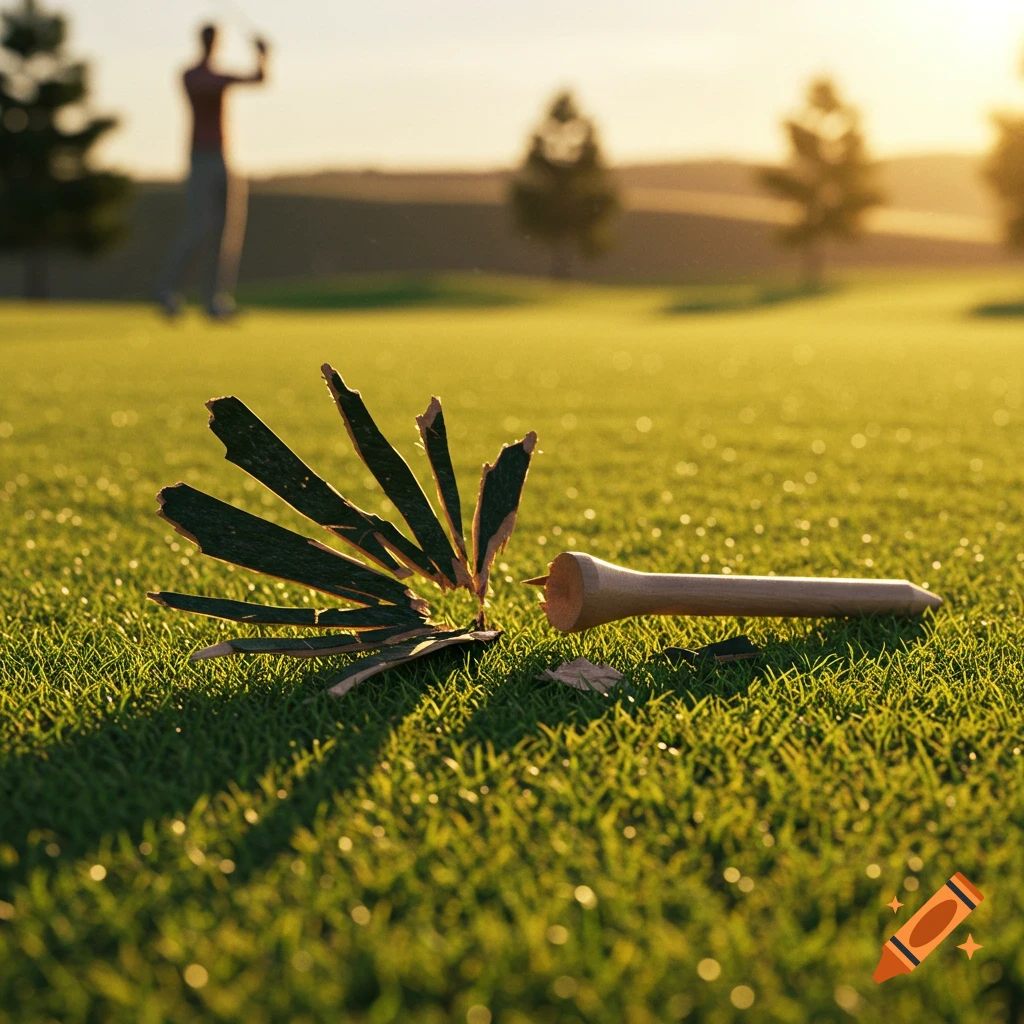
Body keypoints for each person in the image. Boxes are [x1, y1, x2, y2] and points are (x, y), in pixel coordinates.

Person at [156, 24, 268, 320]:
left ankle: (215, 301)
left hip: (222, 159)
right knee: (197, 229)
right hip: (199, 158)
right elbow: (215, 86)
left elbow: (259, 78)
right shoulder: (191, 75)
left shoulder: (217, 76)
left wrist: (263, 56)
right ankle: (167, 292)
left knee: (224, 233)